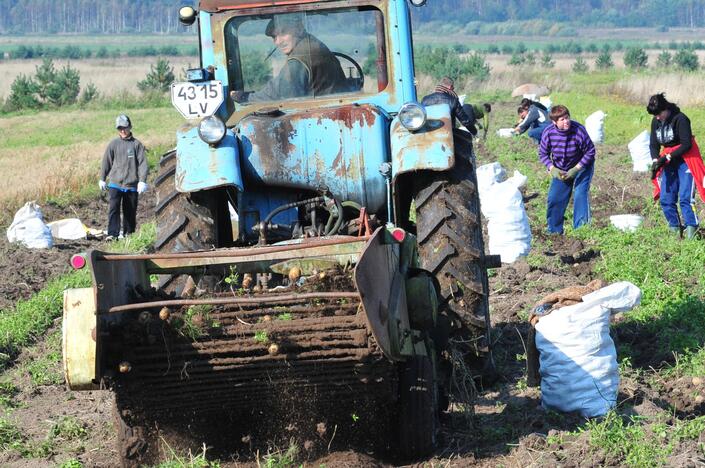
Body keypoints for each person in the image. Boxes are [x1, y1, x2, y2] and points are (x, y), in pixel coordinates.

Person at [237, 14, 347, 102]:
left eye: (283, 32)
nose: (278, 42)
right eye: (274, 37)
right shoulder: (312, 43)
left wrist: (245, 98)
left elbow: (279, 95)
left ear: (299, 29)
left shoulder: (298, 60)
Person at [647, 93, 705, 239]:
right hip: (668, 160)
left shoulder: (681, 119)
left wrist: (668, 156)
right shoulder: (656, 121)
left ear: (666, 108)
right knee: (666, 198)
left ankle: (692, 231)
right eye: (655, 115)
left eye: (659, 114)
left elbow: (687, 144)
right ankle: (675, 233)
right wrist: (655, 160)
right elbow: (654, 144)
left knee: (685, 198)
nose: (657, 117)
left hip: (686, 159)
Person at [538, 105, 596, 234]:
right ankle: (554, 231)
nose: (566, 121)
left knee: (580, 193)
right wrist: (552, 169)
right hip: (561, 169)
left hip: (582, 167)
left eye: (567, 117)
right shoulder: (549, 133)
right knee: (555, 198)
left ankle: (581, 229)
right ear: (554, 122)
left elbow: (590, 151)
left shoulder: (578, 130)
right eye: (562, 119)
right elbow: (543, 153)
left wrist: (576, 169)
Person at [99, 115, 148, 240]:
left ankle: (129, 235)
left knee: (130, 212)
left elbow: (143, 164)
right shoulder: (113, 144)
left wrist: (142, 181)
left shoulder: (137, 145)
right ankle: (112, 234)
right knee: (113, 209)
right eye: (120, 128)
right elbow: (106, 162)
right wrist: (102, 178)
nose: (122, 131)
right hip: (115, 183)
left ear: (130, 127)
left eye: (124, 128)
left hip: (131, 185)